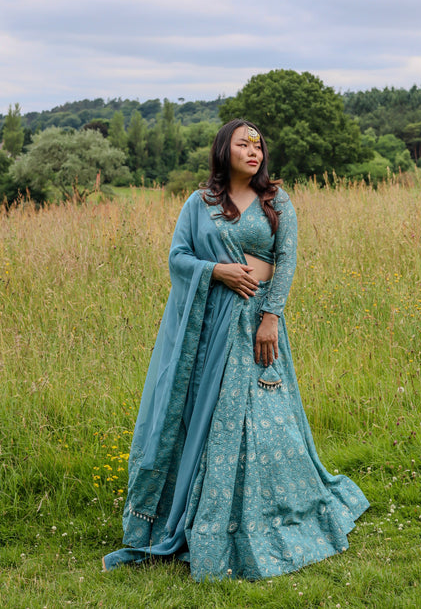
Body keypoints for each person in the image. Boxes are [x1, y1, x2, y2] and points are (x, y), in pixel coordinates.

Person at [102, 118, 369, 580]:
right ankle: (196, 515)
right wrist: (216, 272)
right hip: (211, 327)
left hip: (258, 322)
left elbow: (286, 259)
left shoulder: (276, 200)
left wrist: (272, 316)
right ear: (223, 149)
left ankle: (271, 515)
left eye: (259, 145)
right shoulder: (199, 203)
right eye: (244, 143)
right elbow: (178, 257)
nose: (253, 150)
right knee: (208, 419)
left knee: (268, 422)